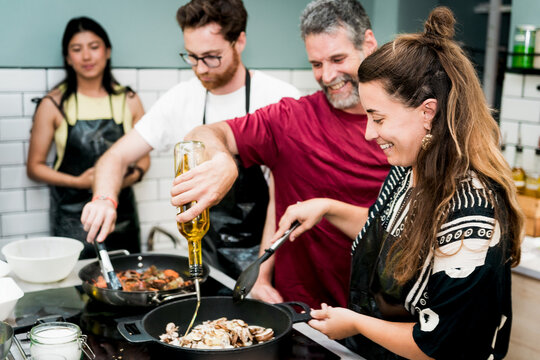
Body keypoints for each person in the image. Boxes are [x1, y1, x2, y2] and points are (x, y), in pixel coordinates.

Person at [272, 7, 524, 360]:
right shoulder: (410, 168)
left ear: (427, 112)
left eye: (377, 117)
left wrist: (356, 323)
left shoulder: (470, 215)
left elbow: (440, 343)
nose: (369, 133)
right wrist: (327, 207)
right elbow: (389, 232)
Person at [172, 0, 390, 309]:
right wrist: (222, 161)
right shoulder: (292, 118)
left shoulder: (400, 126)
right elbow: (204, 133)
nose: (327, 76)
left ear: (368, 44)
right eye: (316, 64)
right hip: (302, 312)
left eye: (337, 59)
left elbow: (409, 230)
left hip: (379, 313)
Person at [80, 0, 301, 273]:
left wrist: (262, 274)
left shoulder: (280, 98)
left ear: (239, 41)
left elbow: (290, 194)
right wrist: (104, 198)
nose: (201, 68)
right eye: (191, 57)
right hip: (208, 264)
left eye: (211, 56)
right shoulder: (180, 99)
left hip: (271, 259)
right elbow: (115, 156)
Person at [27, 17, 149, 259]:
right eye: (76, 49)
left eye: (94, 47)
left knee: (129, 281)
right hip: (73, 219)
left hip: (121, 216)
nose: (86, 56)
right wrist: (80, 182)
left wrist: (114, 185)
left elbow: (144, 163)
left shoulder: (129, 100)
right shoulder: (53, 104)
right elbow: (35, 167)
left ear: (107, 52)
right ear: (67, 57)